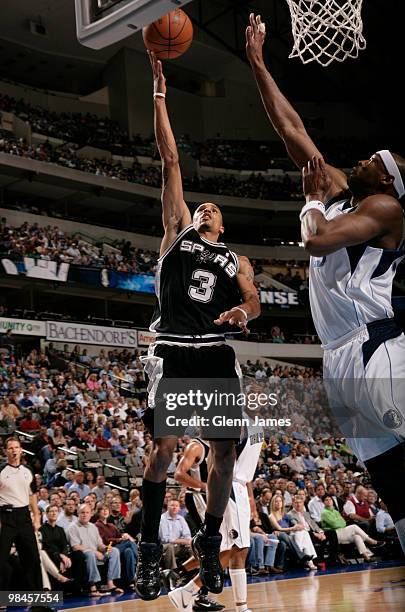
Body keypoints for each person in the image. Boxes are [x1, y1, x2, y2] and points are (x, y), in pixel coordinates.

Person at [246, 12, 405, 555]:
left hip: (376, 346)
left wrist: (311, 202)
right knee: (391, 479)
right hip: (337, 358)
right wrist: (258, 63)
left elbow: (317, 239)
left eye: (375, 160)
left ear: (388, 180)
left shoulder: (382, 207)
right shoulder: (338, 187)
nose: (362, 158)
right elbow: (290, 127)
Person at [134, 51, 260, 602]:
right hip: (174, 350)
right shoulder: (177, 234)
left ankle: (208, 544)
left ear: (224, 223)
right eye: (199, 206)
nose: (204, 208)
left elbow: (255, 303)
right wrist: (160, 96)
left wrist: (243, 314)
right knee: (164, 450)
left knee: (224, 454)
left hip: (214, 352)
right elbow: (170, 161)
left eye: (213, 209)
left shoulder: (237, 261)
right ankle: (145, 553)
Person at [168, 423, 268, 612]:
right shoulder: (200, 443)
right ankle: (189, 590)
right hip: (212, 494)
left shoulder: (253, 427)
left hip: (234, 489)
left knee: (237, 549)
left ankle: (238, 606)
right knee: (230, 547)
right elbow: (182, 473)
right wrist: (206, 487)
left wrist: (251, 501)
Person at [0, 436, 42, 590]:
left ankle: (37, 599)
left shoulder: (28, 470)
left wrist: (36, 517)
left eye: (16, 447)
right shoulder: (1, 471)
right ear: (5, 451)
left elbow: (32, 495)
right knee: (1, 559)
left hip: (24, 516)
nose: (14, 451)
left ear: (21, 450)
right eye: (10, 448)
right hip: (5, 516)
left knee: (32, 557)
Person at [67, 503, 123, 596]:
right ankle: (92, 586)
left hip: (98, 554)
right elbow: (75, 546)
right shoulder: (72, 527)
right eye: (82, 513)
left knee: (114, 551)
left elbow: (99, 544)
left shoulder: (93, 527)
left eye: (87, 512)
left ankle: (110, 582)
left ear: (91, 514)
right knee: (90, 554)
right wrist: (95, 552)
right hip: (83, 555)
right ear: (78, 514)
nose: (85, 515)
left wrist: (105, 548)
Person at [320, 495, 381, 561]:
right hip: (334, 535)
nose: (329, 501)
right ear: (323, 502)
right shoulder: (324, 513)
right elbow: (335, 524)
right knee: (354, 527)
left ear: (332, 501)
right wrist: (339, 523)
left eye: (330, 499)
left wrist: (339, 523)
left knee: (357, 536)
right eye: (326, 500)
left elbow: (344, 523)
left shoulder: (336, 511)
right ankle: (371, 541)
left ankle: (367, 557)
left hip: (342, 533)